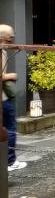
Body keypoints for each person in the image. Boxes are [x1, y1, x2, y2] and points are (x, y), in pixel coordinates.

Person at [0, 26, 24, 172]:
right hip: (2, 99)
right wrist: (12, 76)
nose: (12, 40)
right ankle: (10, 161)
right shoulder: (1, 51)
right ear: (4, 38)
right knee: (10, 128)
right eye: (11, 37)